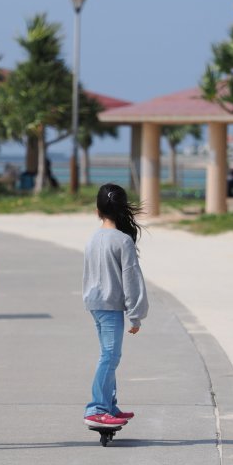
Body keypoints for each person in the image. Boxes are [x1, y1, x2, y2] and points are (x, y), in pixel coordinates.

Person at [82, 183, 149, 429]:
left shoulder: (92, 238)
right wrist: (136, 315)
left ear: (97, 211)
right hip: (110, 305)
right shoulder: (123, 241)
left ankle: (109, 405)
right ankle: (97, 409)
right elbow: (131, 279)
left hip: (94, 303)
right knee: (110, 357)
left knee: (108, 355)